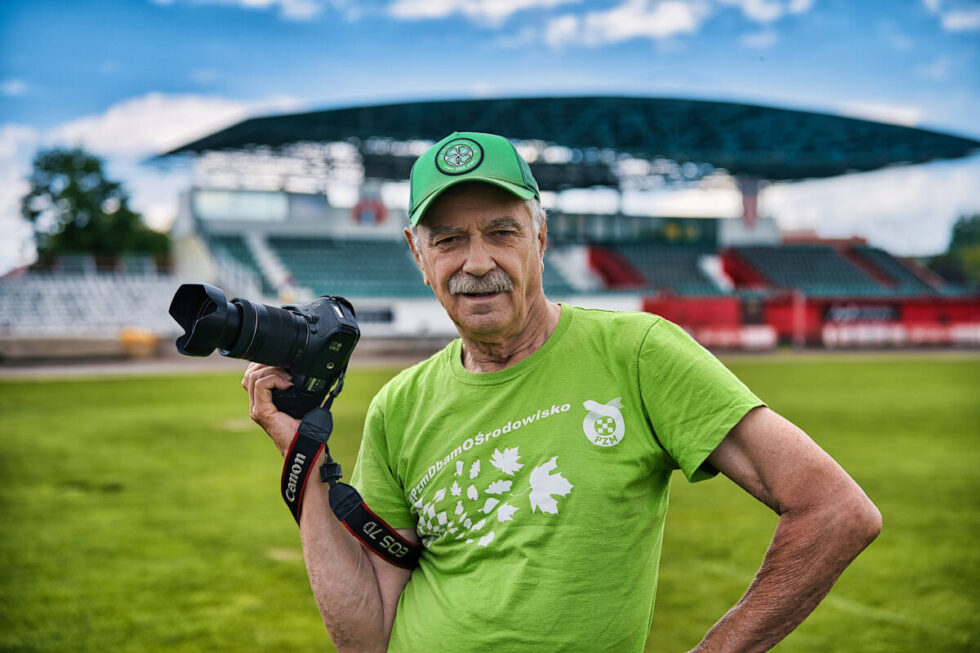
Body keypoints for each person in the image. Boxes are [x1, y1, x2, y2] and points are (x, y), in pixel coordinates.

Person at [242, 131, 882, 652]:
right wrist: (306, 461)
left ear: (541, 237)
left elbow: (836, 510)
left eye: (502, 231)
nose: (477, 262)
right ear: (417, 253)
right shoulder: (399, 406)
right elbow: (366, 635)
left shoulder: (637, 353)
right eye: (449, 239)